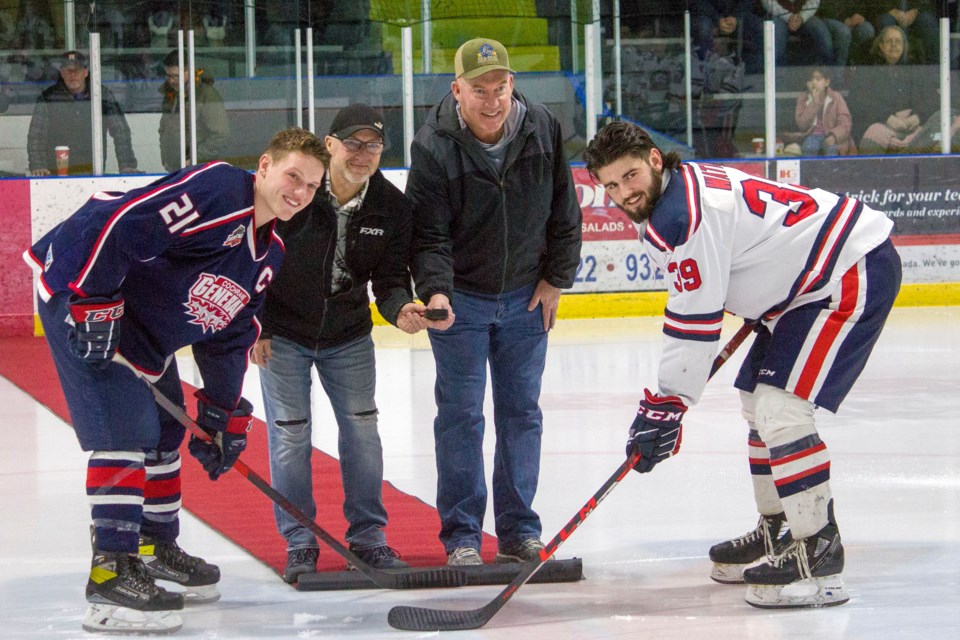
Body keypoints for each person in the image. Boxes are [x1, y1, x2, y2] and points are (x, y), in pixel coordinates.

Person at [583, 121, 901, 609]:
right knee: (756, 403)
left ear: (652, 159)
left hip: (848, 270)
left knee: (780, 409)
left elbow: (694, 319)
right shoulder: (675, 197)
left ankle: (819, 551)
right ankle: (779, 530)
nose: (623, 193)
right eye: (610, 185)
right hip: (803, 290)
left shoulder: (680, 215)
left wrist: (666, 403)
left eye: (629, 176)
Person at [22, 127, 328, 634]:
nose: (299, 191)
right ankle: (109, 575)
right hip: (80, 290)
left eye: (312, 186)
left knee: (166, 435)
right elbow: (120, 223)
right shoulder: (221, 190)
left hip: (140, 328)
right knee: (125, 434)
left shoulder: (268, 254)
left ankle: (154, 546)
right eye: (293, 175)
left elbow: (229, 336)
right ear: (266, 165)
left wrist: (221, 410)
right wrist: (94, 300)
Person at [406, 38, 582, 567]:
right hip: (462, 301)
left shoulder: (543, 128)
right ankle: (462, 536)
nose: (491, 100)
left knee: (521, 414)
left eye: (499, 87)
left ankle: (519, 530)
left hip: (527, 300)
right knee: (460, 417)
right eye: (478, 89)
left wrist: (556, 278)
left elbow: (564, 210)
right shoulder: (433, 145)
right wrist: (436, 289)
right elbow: (428, 235)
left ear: (512, 86)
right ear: (456, 90)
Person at [251, 104, 426, 583]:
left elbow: (390, 279)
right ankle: (301, 541)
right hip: (282, 334)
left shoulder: (392, 207)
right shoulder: (298, 194)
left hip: (348, 337)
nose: (362, 154)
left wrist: (401, 308)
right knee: (289, 435)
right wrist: (257, 325)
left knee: (363, 434)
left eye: (372, 145)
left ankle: (369, 539)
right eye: (352, 143)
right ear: (330, 146)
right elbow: (256, 259)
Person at [27, 51, 139, 176]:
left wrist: (127, 165)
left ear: (85, 72)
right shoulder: (48, 97)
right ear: (62, 72)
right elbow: (36, 136)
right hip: (54, 175)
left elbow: (120, 131)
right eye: (68, 70)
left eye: (77, 70)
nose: (73, 75)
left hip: (93, 173)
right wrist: (38, 166)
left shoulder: (102, 95)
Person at [849, 25, 937, 152]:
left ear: (904, 46)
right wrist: (888, 118)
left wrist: (917, 117)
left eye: (898, 41)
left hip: (913, 127)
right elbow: (859, 102)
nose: (894, 45)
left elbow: (933, 98)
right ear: (881, 46)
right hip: (882, 125)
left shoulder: (914, 69)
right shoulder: (869, 70)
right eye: (889, 41)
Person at [158, 50, 231, 173]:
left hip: (200, 171)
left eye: (175, 76)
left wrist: (195, 159)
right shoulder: (171, 94)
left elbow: (220, 135)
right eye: (168, 75)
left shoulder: (207, 95)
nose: (171, 81)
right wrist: (166, 157)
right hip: (176, 170)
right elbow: (165, 129)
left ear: (189, 71)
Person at [782, 67, 855, 156]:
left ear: (827, 82)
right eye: (811, 80)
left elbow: (845, 123)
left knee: (831, 150)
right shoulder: (803, 98)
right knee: (809, 147)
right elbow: (802, 125)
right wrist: (814, 103)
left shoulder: (836, 98)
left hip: (832, 136)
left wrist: (834, 136)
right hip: (811, 135)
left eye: (818, 79)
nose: (814, 82)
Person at [758, 0, 842, 66]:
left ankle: (827, 81)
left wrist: (802, 17)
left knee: (822, 35)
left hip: (804, 15)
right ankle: (778, 82)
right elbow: (767, 2)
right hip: (779, 15)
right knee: (775, 38)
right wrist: (788, 17)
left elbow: (814, 2)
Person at [691, 0, 765, 75]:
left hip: (736, 14)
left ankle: (749, 68)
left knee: (760, 28)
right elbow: (701, 3)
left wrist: (735, 17)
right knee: (704, 28)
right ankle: (706, 69)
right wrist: (718, 19)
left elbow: (746, 2)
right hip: (709, 15)